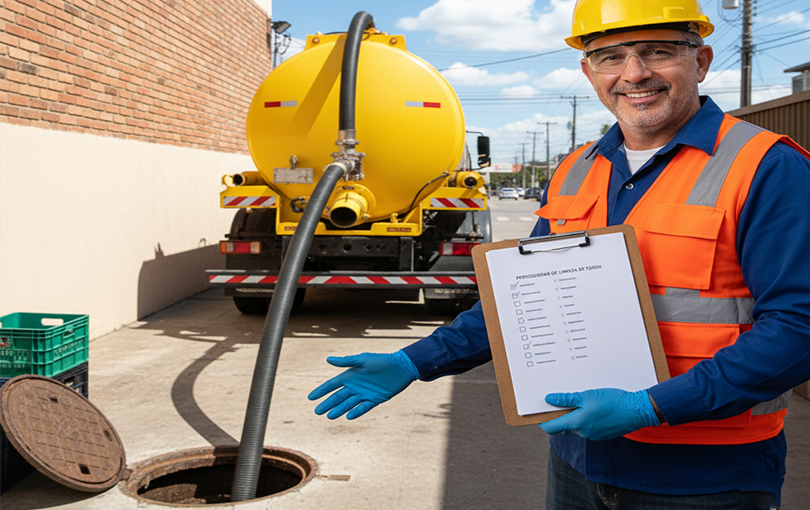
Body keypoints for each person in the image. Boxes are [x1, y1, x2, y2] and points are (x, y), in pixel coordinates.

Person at [308, 0, 810, 507]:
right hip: (578, 463)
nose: (634, 73)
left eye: (658, 51)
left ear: (699, 61)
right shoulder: (576, 169)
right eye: (610, 56)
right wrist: (414, 361)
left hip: (706, 476)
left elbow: (799, 327)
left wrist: (652, 407)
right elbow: (519, 299)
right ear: (589, 73)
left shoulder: (766, 167)